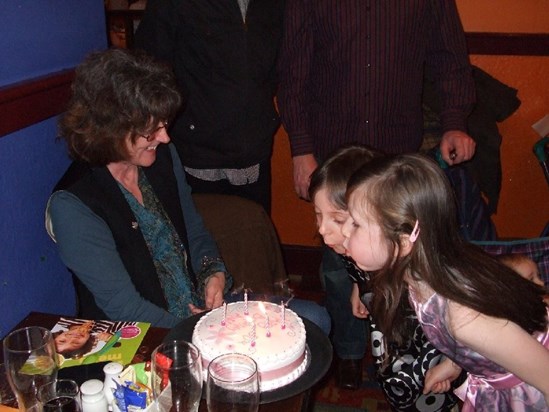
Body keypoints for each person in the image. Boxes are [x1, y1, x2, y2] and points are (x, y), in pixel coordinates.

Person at [46, 49, 330, 334]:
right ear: (109, 128)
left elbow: (193, 228)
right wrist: (201, 330)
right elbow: (124, 307)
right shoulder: (74, 204)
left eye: (164, 124)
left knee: (314, 319)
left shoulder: (161, 158)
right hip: (141, 335)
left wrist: (213, 272)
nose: (165, 137)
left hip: (195, 315)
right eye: (151, 131)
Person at [277, 0, 477, 386]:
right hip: (336, 157)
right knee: (339, 267)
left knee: (402, 265)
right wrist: (301, 149)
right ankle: (349, 350)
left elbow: (448, 56)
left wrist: (455, 121)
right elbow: (293, 71)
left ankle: (402, 352)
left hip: (395, 154)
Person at [342, 153, 549, 411]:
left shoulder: (466, 318)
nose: (343, 231)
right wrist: (454, 364)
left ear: (405, 241)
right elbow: (477, 343)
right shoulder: (420, 278)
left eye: (356, 224)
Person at [309, 145, 462, 410]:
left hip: (429, 363)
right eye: (318, 215)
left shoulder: (419, 278)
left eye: (339, 219)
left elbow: (464, 325)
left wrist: (454, 362)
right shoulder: (357, 250)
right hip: (391, 345)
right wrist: (359, 284)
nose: (323, 229)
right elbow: (358, 269)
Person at [133, 0, 285, 214]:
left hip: (253, 150)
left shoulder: (272, 5)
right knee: (202, 238)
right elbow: (148, 66)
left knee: (252, 238)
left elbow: (276, 69)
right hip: (194, 152)